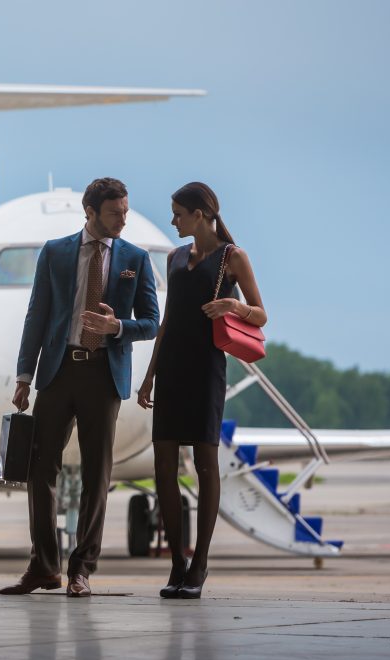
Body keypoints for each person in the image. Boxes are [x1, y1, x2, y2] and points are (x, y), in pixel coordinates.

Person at [0, 177, 160, 597]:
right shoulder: (55, 252)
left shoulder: (136, 259)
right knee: (39, 470)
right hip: (58, 370)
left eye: (125, 211)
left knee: (96, 474)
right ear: (89, 212)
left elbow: (152, 322)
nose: (123, 219)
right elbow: (37, 315)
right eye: (114, 213)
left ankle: (82, 570)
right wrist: (23, 377)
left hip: (103, 375)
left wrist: (116, 326)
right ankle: (44, 567)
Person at [137, 181, 267, 599]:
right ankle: (177, 561)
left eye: (178, 213)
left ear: (200, 214)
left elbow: (261, 314)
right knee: (163, 469)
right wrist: (149, 376)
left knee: (205, 464)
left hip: (206, 367)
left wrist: (234, 307)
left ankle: (200, 564)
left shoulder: (234, 257)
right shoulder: (175, 257)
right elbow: (169, 320)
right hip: (172, 367)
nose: (172, 220)